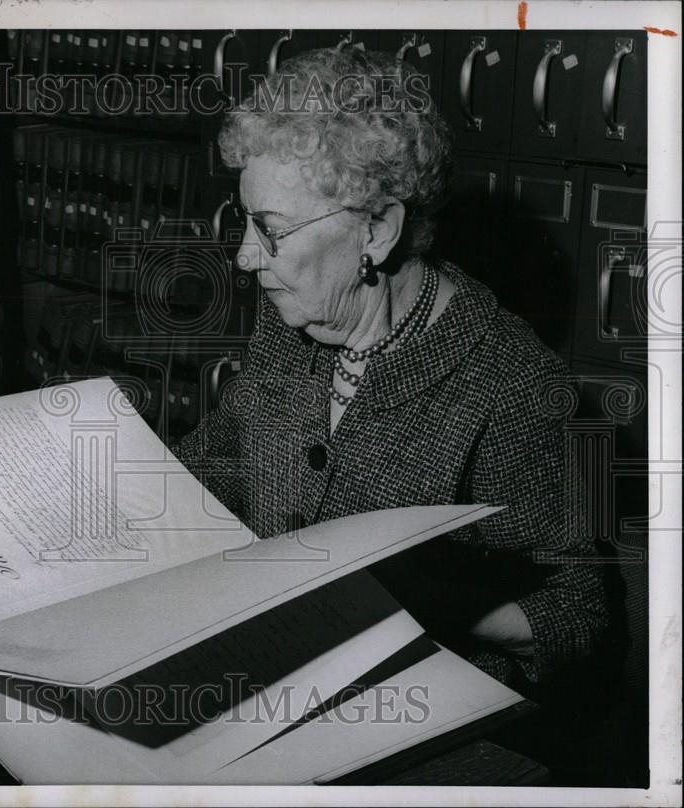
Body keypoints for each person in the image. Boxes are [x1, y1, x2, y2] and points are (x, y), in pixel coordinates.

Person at [171, 46, 608, 692]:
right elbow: (217, 464)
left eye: (270, 231)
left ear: (377, 232)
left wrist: (428, 601)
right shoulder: (294, 326)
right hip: (268, 679)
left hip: (413, 714)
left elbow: (583, 612)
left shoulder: (510, 384)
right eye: (245, 221)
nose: (242, 258)